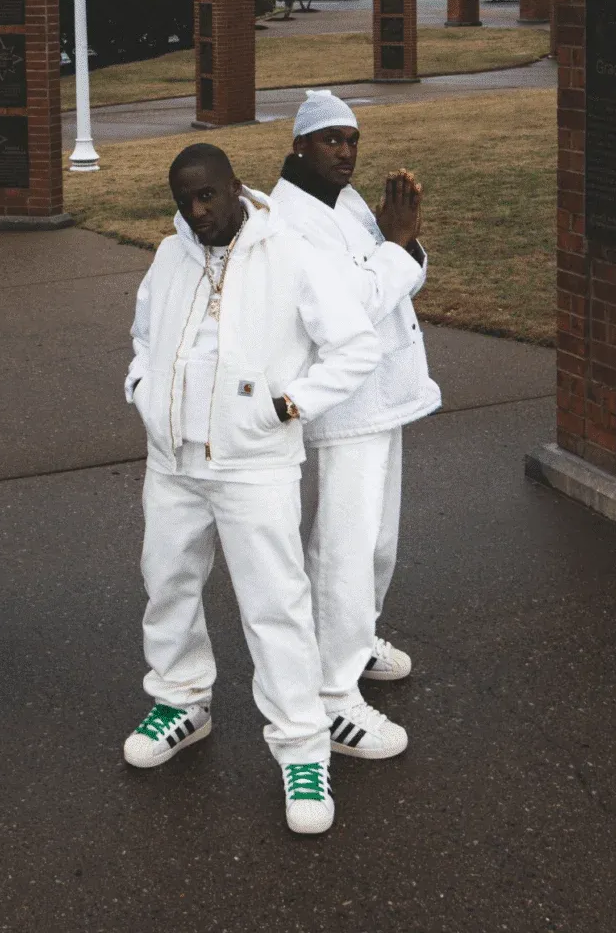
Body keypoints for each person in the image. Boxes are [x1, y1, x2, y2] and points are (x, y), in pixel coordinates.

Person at [123, 143, 381, 835]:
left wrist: (288, 405)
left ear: (235, 186)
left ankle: (302, 749)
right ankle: (181, 701)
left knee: (275, 607)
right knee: (167, 582)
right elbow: (144, 337)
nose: (196, 211)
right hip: (172, 459)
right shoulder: (169, 255)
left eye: (207, 195)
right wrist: (142, 389)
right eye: (184, 200)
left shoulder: (289, 253)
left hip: (254, 462)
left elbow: (355, 344)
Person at [271, 90, 441, 761]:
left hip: (384, 394)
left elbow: (400, 281)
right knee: (343, 546)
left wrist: (406, 241)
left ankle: (356, 637)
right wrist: (395, 246)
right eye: (331, 140)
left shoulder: (342, 201)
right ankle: (331, 695)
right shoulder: (290, 218)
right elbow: (353, 302)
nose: (346, 152)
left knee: (378, 540)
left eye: (352, 140)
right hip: (345, 405)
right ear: (299, 146)